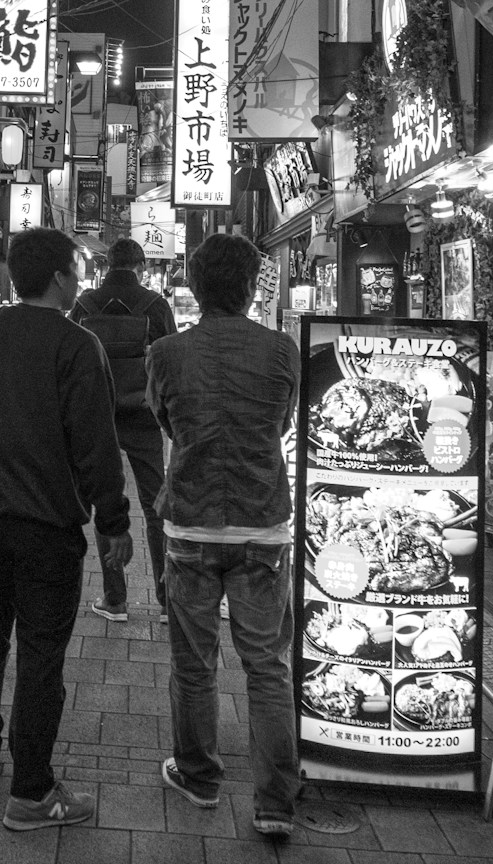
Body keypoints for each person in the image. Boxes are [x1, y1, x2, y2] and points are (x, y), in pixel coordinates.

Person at [0, 227, 133, 831]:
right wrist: (114, 522)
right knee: (39, 656)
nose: (80, 278)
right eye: (76, 269)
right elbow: (95, 446)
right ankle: (32, 792)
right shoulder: (76, 346)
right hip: (47, 528)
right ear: (60, 277)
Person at [147, 233, 302, 839]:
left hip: (189, 521)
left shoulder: (165, 353)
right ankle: (275, 803)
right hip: (264, 523)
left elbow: (166, 421)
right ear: (249, 287)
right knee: (267, 666)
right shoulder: (283, 351)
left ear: (194, 284)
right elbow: (282, 422)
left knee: (194, 664)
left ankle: (199, 776)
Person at [71, 237, 175, 620]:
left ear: (107, 265)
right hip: (145, 415)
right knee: (155, 506)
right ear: (141, 266)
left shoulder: (84, 304)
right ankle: (166, 600)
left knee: (104, 500)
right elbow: (168, 359)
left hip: (98, 415)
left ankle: (115, 599)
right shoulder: (155, 305)